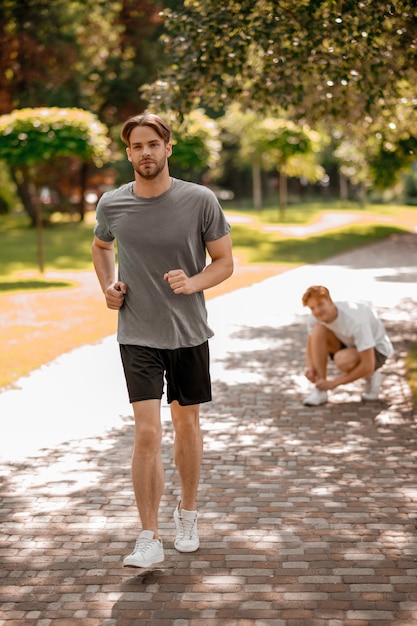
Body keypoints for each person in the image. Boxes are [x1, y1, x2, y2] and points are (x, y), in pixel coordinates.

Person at [92, 112, 233, 569]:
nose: (145, 153)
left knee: (187, 427)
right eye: (136, 146)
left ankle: (187, 515)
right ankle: (148, 536)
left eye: (153, 144)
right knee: (147, 432)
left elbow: (225, 261)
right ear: (128, 152)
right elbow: (100, 246)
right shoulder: (112, 204)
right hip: (137, 333)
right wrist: (108, 286)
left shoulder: (199, 200)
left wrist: (192, 283)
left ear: (168, 148)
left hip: (188, 333)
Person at [301, 285, 393, 406]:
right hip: (349, 345)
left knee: (343, 360)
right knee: (317, 330)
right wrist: (310, 367)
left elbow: (367, 365)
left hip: (377, 352)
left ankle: (372, 376)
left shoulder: (356, 319)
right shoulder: (314, 318)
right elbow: (310, 344)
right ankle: (320, 390)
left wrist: (334, 383)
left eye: (320, 304)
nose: (317, 311)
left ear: (329, 300)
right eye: (312, 307)